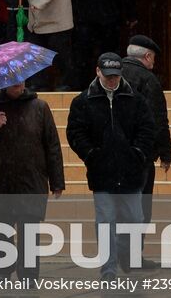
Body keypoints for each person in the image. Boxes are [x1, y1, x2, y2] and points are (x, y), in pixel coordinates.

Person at [65, 53, 154, 280]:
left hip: (131, 171)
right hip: (102, 171)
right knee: (105, 220)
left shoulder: (135, 99)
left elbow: (147, 129)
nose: (112, 80)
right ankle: (108, 269)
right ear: (98, 72)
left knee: (135, 219)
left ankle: (124, 254)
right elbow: (75, 133)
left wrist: (138, 153)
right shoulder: (84, 101)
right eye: (108, 76)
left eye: (115, 76)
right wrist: (91, 155)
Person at [0, 79, 66, 281]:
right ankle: (4, 272)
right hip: (0, 181)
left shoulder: (39, 107)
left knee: (30, 231)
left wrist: (57, 181)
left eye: (21, 83)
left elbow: (52, 145)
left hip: (31, 180)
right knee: (1, 231)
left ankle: (29, 276)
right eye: (14, 84)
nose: (19, 87)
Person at [120, 34, 171, 268]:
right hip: (140, 154)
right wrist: (165, 152)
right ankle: (132, 256)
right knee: (140, 206)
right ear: (147, 56)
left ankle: (119, 253)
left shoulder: (111, 75)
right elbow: (158, 118)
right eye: (154, 58)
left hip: (114, 154)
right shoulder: (148, 79)